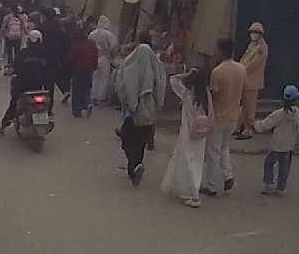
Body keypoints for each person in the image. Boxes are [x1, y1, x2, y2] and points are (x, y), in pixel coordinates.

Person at [115, 33, 167, 186]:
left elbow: (121, 86)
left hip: (133, 112)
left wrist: (127, 102)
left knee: (126, 137)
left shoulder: (130, 65)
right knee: (141, 142)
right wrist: (158, 105)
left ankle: (134, 164)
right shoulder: (157, 67)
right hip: (149, 112)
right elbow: (161, 87)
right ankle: (136, 165)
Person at [161, 67, 212, 207]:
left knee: (186, 162)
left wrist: (186, 74)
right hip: (201, 134)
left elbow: (173, 79)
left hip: (187, 133)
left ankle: (190, 194)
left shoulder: (187, 94)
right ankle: (193, 190)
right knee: (197, 162)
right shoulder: (206, 95)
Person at [204, 38, 246, 196]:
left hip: (218, 117)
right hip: (234, 116)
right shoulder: (241, 69)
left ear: (221, 51)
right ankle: (228, 175)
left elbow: (213, 95)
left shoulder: (217, 72)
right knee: (224, 147)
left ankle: (212, 186)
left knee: (213, 151)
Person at [0, 30, 52, 135]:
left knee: (14, 103)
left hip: (23, 86)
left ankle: (3, 126)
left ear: (29, 41)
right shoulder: (46, 53)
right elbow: (48, 69)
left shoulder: (23, 53)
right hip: (39, 86)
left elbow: (15, 67)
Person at [255, 85, 299, 196]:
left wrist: (255, 124)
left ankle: (268, 184)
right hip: (289, 145)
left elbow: (265, 125)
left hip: (276, 145)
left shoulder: (279, 113)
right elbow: (297, 128)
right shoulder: (296, 113)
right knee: (284, 167)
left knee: (269, 163)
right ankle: (281, 187)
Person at [236, 21, 269, 140]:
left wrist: (241, 68)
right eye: (252, 32)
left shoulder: (262, 47)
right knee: (244, 106)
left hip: (253, 81)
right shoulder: (252, 45)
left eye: (256, 32)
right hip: (245, 79)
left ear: (260, 34)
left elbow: (254, 63)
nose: (253, 34)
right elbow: (244, 59)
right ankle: (240, 127)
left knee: (250, 107)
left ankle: (248, 129)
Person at [67, 22, 99, 118]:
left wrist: (67, 65)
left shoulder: (77, 44)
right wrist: (94, 66)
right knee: (86, 88)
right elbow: (95, 55)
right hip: (89, 69)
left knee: (77, 89)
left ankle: (77, 110)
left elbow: (71, 57)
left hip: (78, 69)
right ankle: (87, 103)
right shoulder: (91, 43)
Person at [89, 15, 119, 108]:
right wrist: (114, 58)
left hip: (93, 57)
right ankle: (100, 98)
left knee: (95, 77)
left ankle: (93, 96)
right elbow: (113, 47)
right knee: (104, 78)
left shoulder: (92, 33)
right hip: (105, 58)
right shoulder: (109, 35)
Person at [0, 4, 28, 73]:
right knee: (17, 52)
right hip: (18, 37)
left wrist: (1, 36)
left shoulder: (7, 17)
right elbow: (24, 28)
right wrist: (27, 34)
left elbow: (3, 27)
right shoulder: (20, 17)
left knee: (9, 53)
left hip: (9, 37)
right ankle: (17, 68)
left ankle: (10, 68)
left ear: (11, 10)